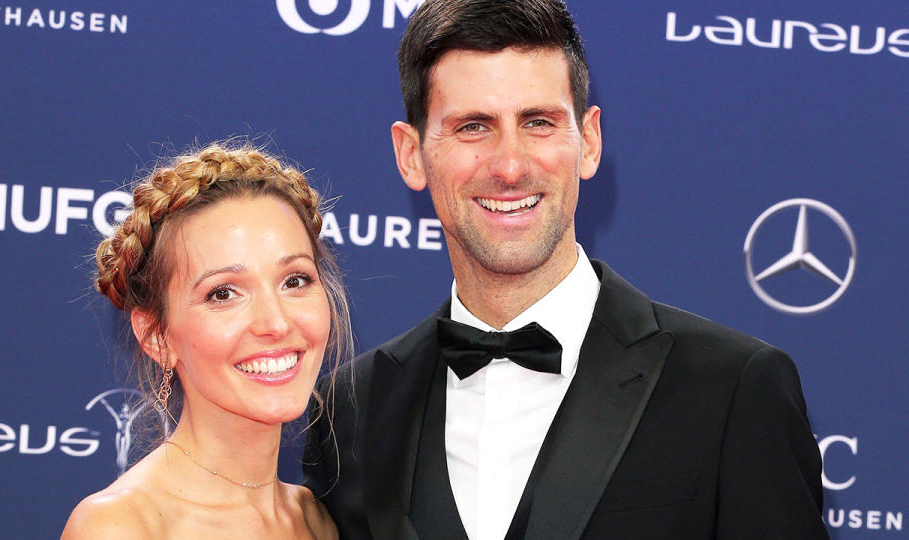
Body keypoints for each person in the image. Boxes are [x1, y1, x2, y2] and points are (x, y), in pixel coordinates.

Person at [302, 1, 829, 538]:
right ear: (411, 155)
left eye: (538, 122)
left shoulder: (734, 390)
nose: (510, 166)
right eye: (473, 127)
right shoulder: (351, 413)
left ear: (590, 141)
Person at [62, 142, 348, 539]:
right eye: (223, 293)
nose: (276, 322)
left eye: (294, 280)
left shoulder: (315, 520)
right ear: (157, 336)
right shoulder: (121, 527)